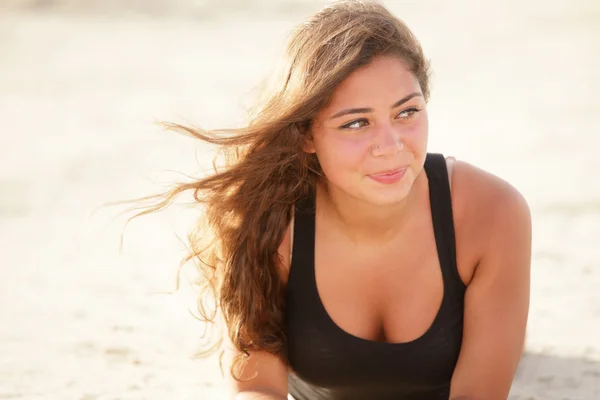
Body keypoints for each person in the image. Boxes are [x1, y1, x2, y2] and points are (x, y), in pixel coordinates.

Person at [128, 1, 532, 399]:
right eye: (356, 123)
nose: (390, 146)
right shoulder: (266, 220)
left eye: (407, 112)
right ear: (305, 134)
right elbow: (258, 388)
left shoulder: (492, 213)